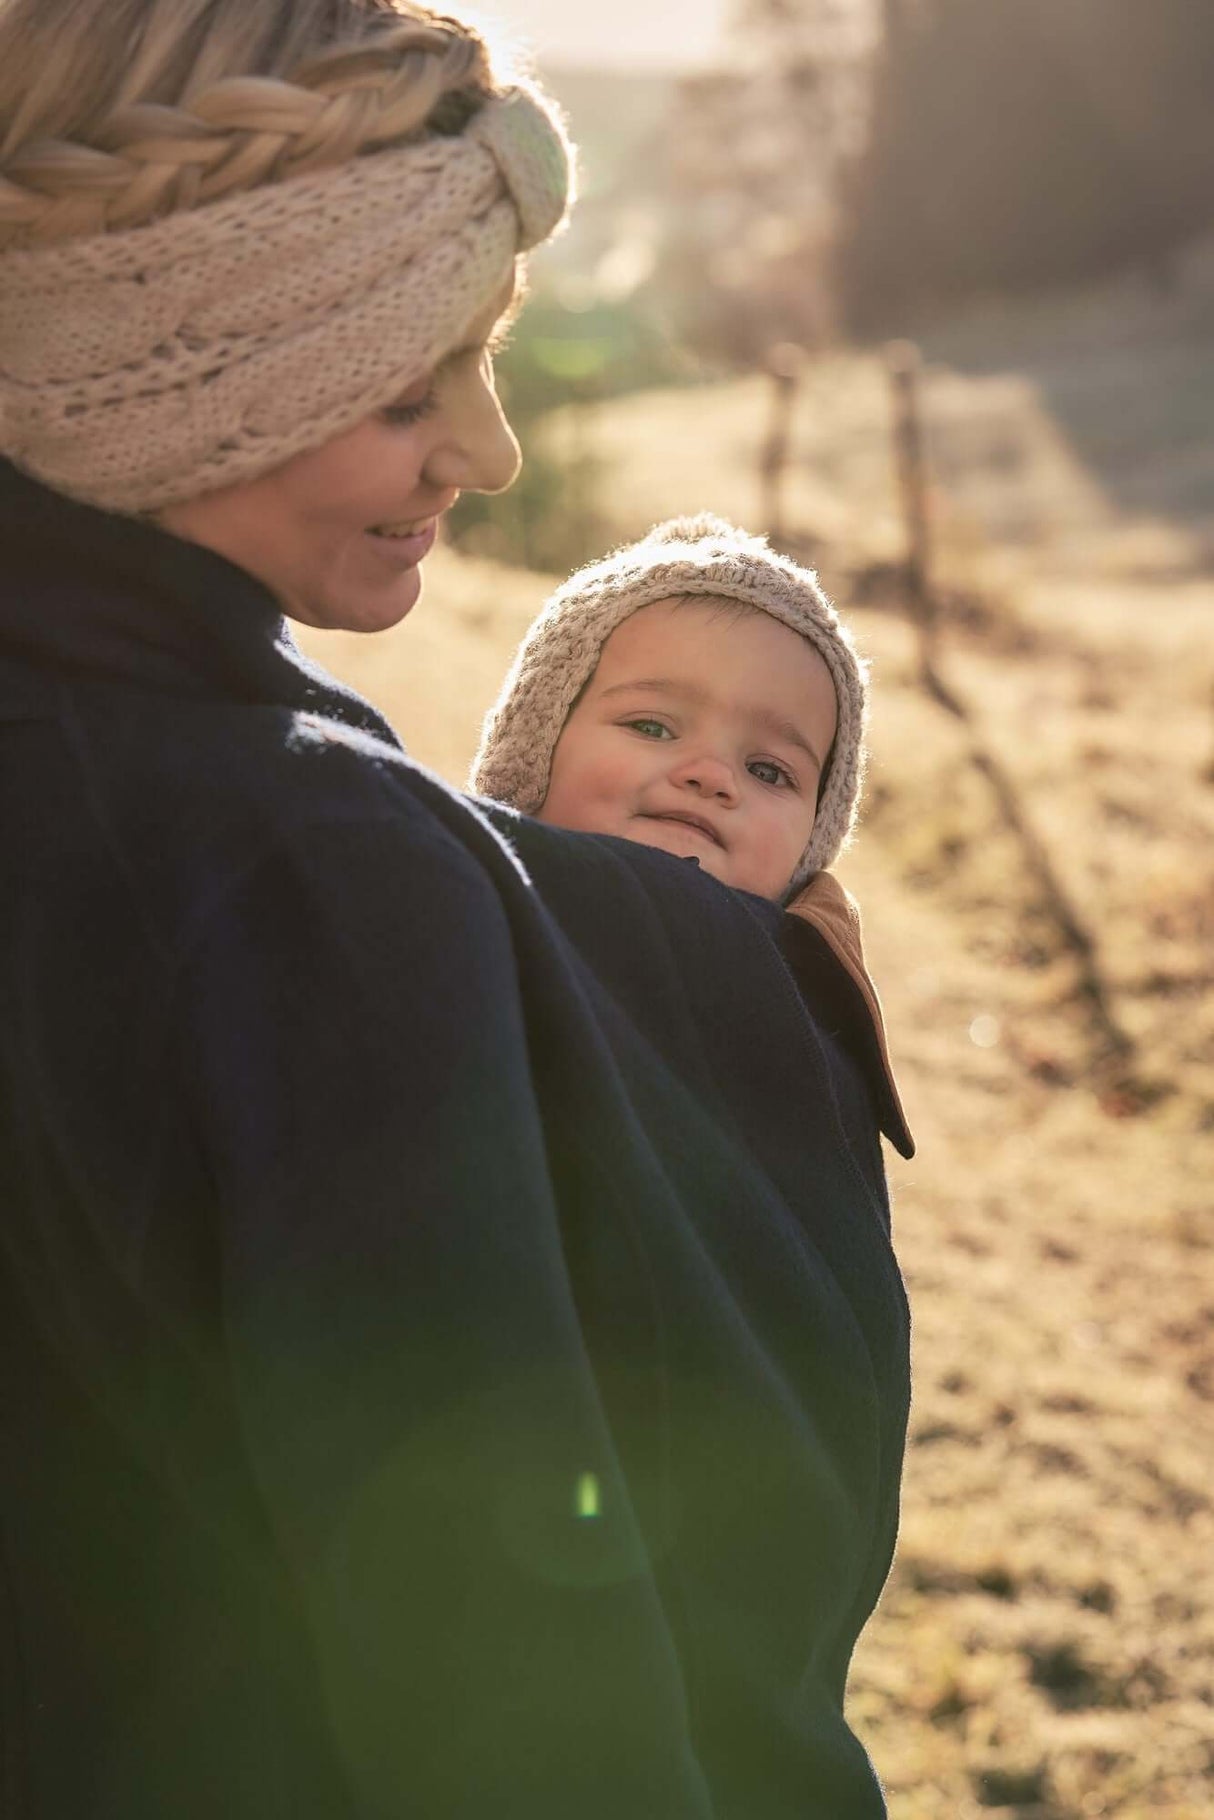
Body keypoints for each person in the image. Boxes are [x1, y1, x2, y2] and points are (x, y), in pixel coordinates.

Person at [0, 4, 911, 1816]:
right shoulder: (312, 869)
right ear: (183, 371)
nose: (485, 454)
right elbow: (504, 1638)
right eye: (413, 383)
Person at [472, 512, 912, 1137]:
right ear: (531, 751)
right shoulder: (456, 914)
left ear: (813, 841)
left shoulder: (810, 1022)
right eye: (651, 727)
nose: (710, 776)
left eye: (767, 770)